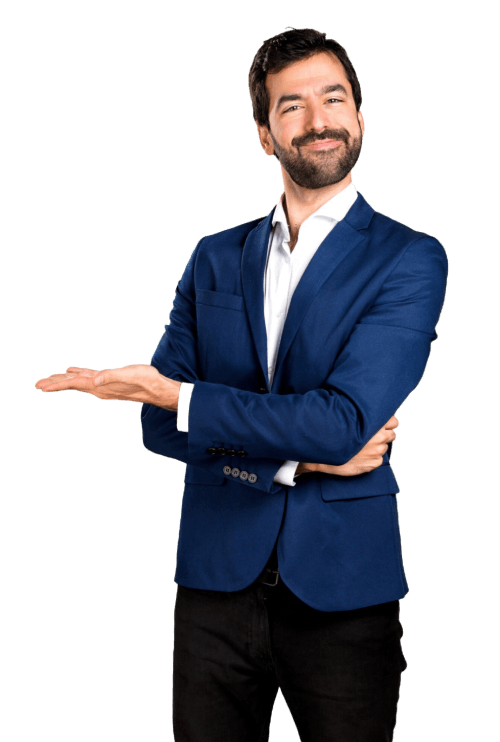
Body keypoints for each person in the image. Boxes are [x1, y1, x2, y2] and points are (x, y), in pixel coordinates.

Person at [34, 27, 448, 741]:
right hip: (212, 589)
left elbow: (341, 423)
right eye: (291, 106)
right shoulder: (213, 257)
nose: (317, 119)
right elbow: (158, 428)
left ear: (360, 116)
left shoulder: (411, 258)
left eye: (333, 99)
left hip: (344, 591)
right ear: (264, 135)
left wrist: (185, 399)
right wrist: (293, 463)